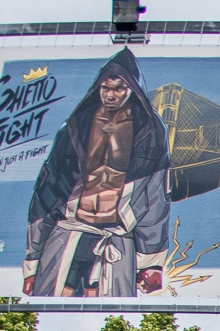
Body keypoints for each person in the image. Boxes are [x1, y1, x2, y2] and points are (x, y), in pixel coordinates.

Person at [21, 49, 168, 298]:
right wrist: (32, 262)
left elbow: (155, 197)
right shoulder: (74, 128)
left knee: (114, 316)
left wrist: (151, 263)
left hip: (117, 237)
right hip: (67, 230)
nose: (111, 95)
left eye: (119, 88)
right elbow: (47, 192)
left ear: (133, 88)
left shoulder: (150, 131)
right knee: (49, 311)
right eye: (105, 88)